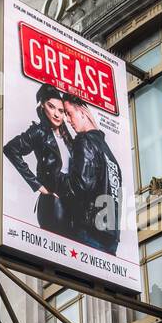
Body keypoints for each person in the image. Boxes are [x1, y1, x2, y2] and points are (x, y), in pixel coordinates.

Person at [3, 85, 74, 236]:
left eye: (60, 111)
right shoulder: (39, 132)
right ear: (42, 106)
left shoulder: (67, 137)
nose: (56, 114)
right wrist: (38, 185)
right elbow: (10, 149)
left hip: (71, 202)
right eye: (51, 107)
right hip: (53, 203)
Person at [58, 95, 123, 254]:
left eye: (68, 113)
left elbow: (79, 186)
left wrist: (53, 177)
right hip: (111, 239)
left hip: (89, 234)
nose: (67, 119)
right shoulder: (110, 155)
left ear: (82, 112)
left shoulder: (85, 141)